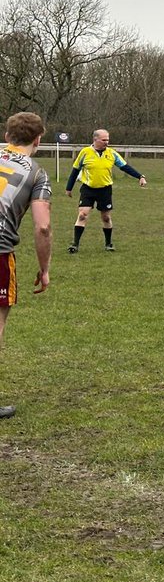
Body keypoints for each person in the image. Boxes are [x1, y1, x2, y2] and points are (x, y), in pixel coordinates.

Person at [0, 113, 53, 419]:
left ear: (7, 136)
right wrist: (44, 269)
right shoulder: (36, 174)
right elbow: (42, 227)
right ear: (38, 140)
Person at [64, 128, 146, 253]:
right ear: (95, 139)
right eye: (104, 140)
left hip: (105, 190)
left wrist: (140, 176)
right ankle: (75, 244)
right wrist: (69, 188)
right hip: (88, 189)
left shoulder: (111, 153)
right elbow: (75, 170)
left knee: (106, 217)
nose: (106, 142)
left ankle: (108, 244)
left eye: (107, 139)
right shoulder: (85, 152)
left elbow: (125, 167)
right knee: (82, 215)